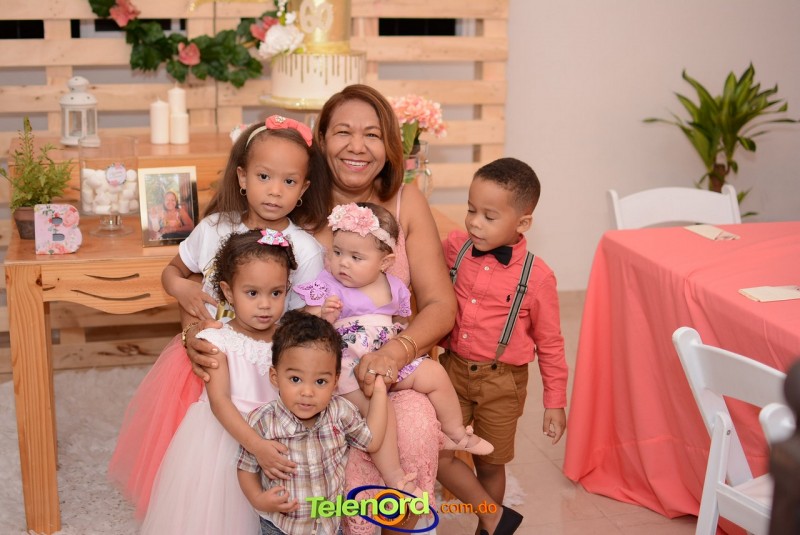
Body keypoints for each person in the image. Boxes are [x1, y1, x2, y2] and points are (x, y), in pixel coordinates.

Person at [108, 115, 328, 518]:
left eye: (289, 181)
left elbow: (303, 322)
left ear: (303, 189)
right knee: (200, 450)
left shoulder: (307, 249)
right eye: (264, 176)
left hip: (264, 364)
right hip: (210, 356)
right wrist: (184, 289)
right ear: (242, 177)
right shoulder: (213, 228)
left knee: (273, 456)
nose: (275, 190)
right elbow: (172, 272)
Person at [294, 202, 493, 494]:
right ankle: (394, 475)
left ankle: (455, 433)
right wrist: (322, 315)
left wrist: (400, 345)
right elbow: (304, 323)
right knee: (380, 408)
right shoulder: (328, 284)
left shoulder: (394, 286)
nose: (343, 263)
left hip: (387, 360)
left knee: (435, 374)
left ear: (385, 262)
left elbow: (401, 322)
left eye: (356, 257)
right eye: (337, 252)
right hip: (349, 369)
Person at [439, 157, 569, 535]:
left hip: (503, 383)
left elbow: (551, 343)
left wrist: (555, 402)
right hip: (451, 371)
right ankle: (496, 518)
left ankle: (487, 528)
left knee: (490, 464)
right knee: (438, 453)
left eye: (489, 216)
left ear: (522, 223)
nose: (475, 223)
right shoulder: (456, 248)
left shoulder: (538, 277)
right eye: (471, 210)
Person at [142, 229, 297, 534]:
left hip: (275, 433)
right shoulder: (217, 339)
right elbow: (219, 402)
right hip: (227, 437)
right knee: (222, 514)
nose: (265, 305)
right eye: (252, 293)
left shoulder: (289, 338)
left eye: (276, 293)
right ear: (228, 291)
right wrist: (257, 446)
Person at [237, 310, 389, 535]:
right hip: (280, 527)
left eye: (320, 381)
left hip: (330, 526)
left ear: (335, 381)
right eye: (295, 379)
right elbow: (246, 468)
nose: (307, 392)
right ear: (275, 377)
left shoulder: (340, 412)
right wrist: (258, 499)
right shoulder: (263, 421)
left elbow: (371, 441)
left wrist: (379, 393)